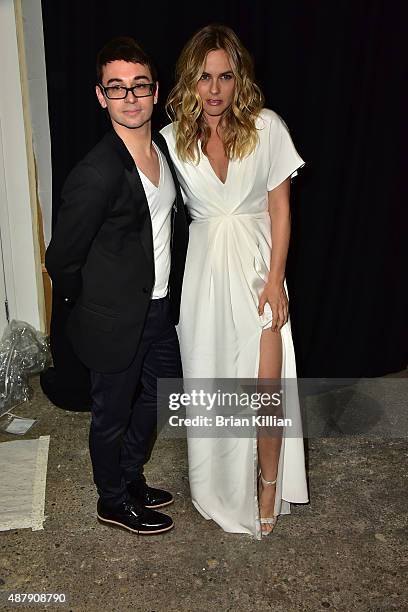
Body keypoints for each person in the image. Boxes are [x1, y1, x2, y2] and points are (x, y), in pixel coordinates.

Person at [161, 24, 308, 538]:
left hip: (257, 271)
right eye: (205, 77)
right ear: (190, 80)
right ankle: (219, 485)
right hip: (203, 279)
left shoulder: (267, 128)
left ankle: (268, 482)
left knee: (265, 387)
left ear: (239, 78)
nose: (216, 89)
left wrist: (276, 280)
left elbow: (281, 208)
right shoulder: (173, 139)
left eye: (225, 76)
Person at [46, 37, 188, 535]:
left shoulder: (163, 147)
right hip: (115, 320)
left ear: (154, 91)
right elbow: (61, 258)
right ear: (101, 97)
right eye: (117, 88)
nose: (130, 97)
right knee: (109, 416)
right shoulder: (96, 171)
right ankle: (111, 500)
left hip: (159, 311)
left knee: (159, 395)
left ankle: (129, 476)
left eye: (139, 86)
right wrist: (92, 307)